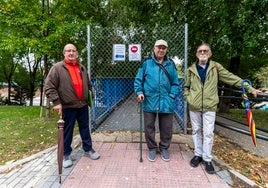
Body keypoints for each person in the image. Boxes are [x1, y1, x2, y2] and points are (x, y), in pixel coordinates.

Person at [184, 43, 259, 174]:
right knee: (196, 130)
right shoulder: (191, 70)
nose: (202, 53)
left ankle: (207, 159)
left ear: (210, 53)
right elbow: (186, 87)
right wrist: (188, 98)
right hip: (194, 105)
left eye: (205, 51)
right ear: (196, 54)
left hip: (210, 105)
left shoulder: (216, 67)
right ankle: (198, 155)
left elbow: (232, 78)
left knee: (208, 133)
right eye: (200, 51)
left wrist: (249, 88)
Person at [45, 44, 100, 168]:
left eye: (73, 51)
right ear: (64, 53)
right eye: (68, 51)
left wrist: (90, 96)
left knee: (85, 128)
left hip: (82, 105)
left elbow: (89, 84)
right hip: (67, 106)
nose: (71, 53)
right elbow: (49, 86)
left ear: (77, 53)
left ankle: (88, 149)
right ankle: (65, 154)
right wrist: (56, 102)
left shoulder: (82, 68)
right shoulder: (57, 68)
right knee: (67, 131)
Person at [134, 39, 180, 162]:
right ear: (154, 48)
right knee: (149, 126)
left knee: (166, 127)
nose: (161, 50)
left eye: (163, 48)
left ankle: (164, 148)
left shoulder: (171, 64)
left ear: (166, 50)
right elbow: (138, 80)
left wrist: (171, 96)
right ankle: (152, 148)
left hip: (166, 101)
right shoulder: (146, 63)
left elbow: (176, 83)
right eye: (158, 47)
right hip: (149, 100)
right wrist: (139, 92)